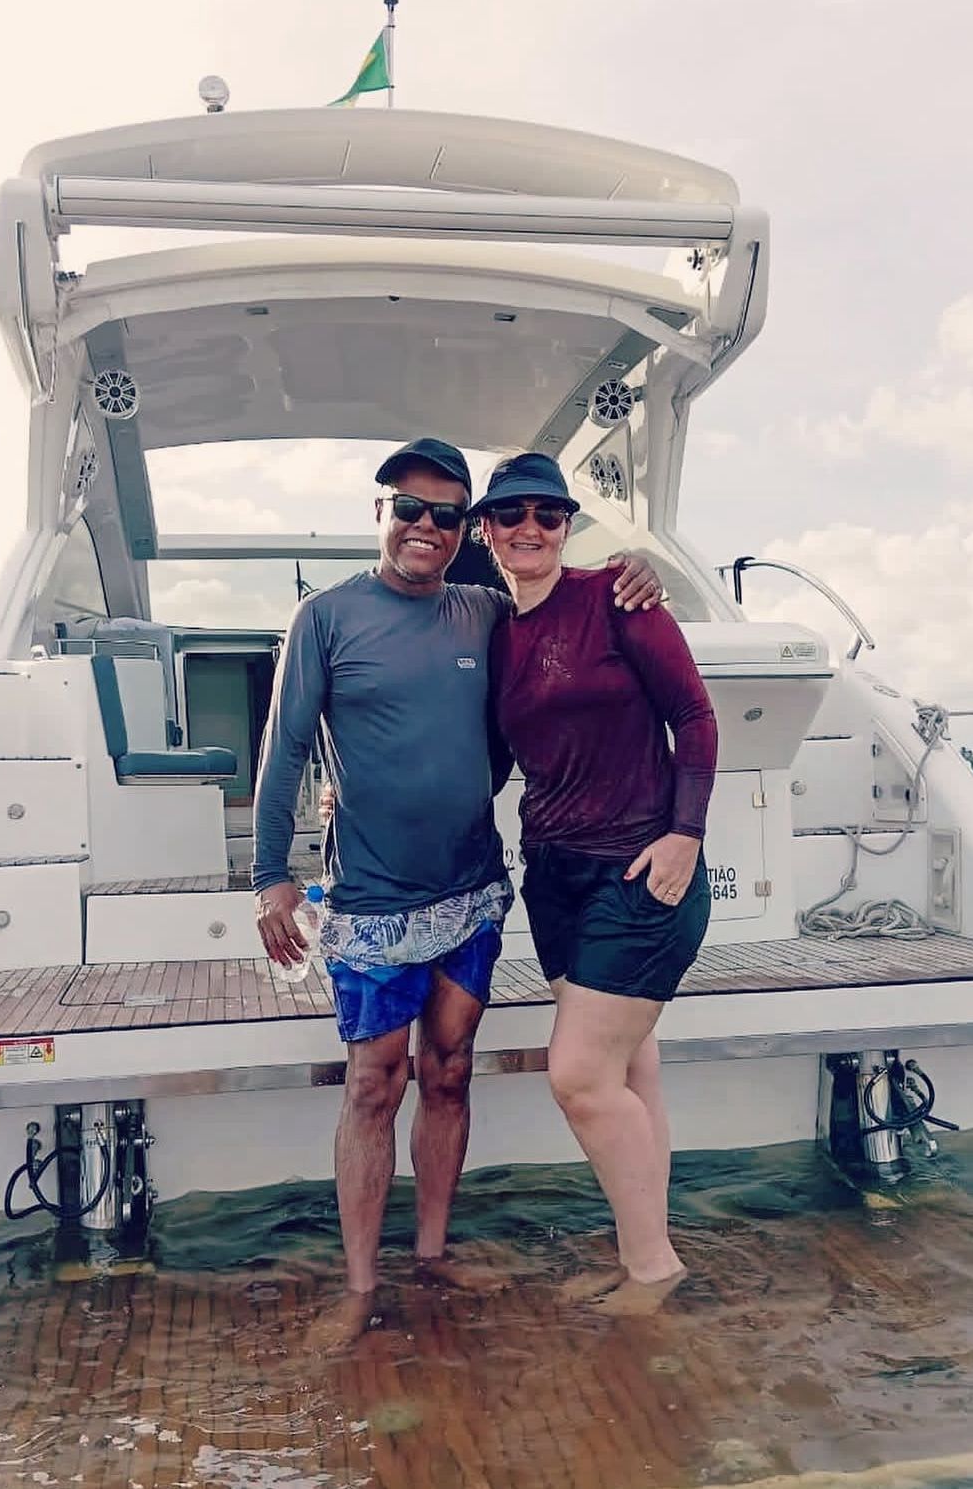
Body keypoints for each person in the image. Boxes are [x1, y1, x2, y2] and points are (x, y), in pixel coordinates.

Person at [252, 438, 663, 1306]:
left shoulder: (485, 611)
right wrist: (269, 875)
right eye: (409, 508)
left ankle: (432, 1256)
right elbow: (282, 751)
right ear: (380, 513)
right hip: (370, 900)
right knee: (374, 1084)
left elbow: (559, 613)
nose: (426, 527)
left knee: (448, 1070)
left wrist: (635, 568)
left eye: (445, 514)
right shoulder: (324, 618)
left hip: (470, 894)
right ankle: (360, 1288)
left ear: (463, 529)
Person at [473, 451, 717, 1305]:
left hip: (642, 868)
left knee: (577, 1074)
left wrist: (687, 833)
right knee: (629, 1066)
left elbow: (694, 714)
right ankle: (642, 1244)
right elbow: (492, 760)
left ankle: (653, 1268)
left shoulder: (616, 595)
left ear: (566, 526)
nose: (530, 528)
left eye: (548, 513)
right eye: (512, 514)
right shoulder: (493, 635)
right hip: (554, 877)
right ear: (488, 531)